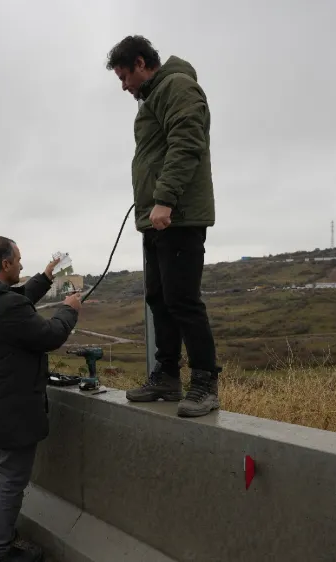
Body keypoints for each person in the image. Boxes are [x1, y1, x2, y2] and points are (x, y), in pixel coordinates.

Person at [105, 35, 221, 418]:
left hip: (178, 216)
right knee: (159, 299)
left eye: (124, 76)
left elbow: (187, 143)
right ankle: (167, 376)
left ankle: (204, 383)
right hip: (154, 220)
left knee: (183, 300)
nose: (124, 86)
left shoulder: (177, 86)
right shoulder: (153, 98)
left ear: (141, 63)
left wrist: (166, 198)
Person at [0, 236, 82, 562]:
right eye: (20, 260)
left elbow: (18, 299)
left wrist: (48, 273)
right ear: (6, 264)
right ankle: (0, 550)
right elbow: (49, 335)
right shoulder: (4, 306)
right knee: (11, 480)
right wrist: (69, 310)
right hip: (14, 409)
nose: (23, 266)